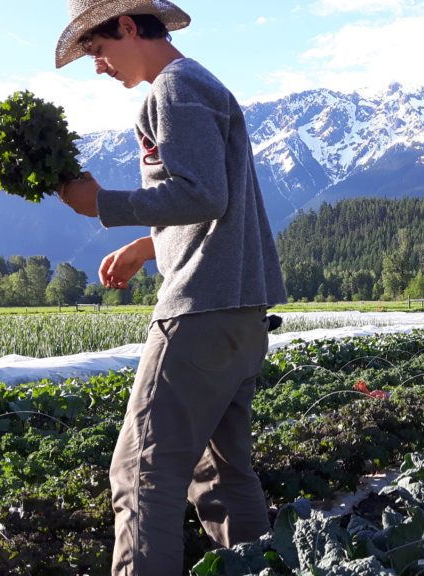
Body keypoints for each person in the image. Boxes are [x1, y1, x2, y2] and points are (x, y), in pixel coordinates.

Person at [53, 1, 287, 574]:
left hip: (199, 310)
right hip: (240, 312)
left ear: (129, 27)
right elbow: (214, 202)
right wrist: (147, 246)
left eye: (99, 50)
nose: (100, 67)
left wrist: (102, 205)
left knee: (139, 476)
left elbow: (204, 195)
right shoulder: (200, 85)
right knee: (223, 474)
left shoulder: (173, 89)